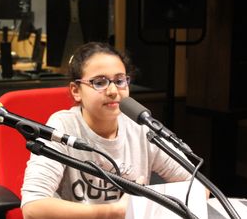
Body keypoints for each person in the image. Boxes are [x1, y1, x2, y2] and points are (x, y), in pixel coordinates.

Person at [21, 42, 194, 218]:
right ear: (76, 91)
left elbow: (196, 185)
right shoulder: (63, 126)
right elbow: (32, 207)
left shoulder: (141, 126)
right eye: (100, 82)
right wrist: (113, 212)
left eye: (120, 81)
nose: (113, 91)